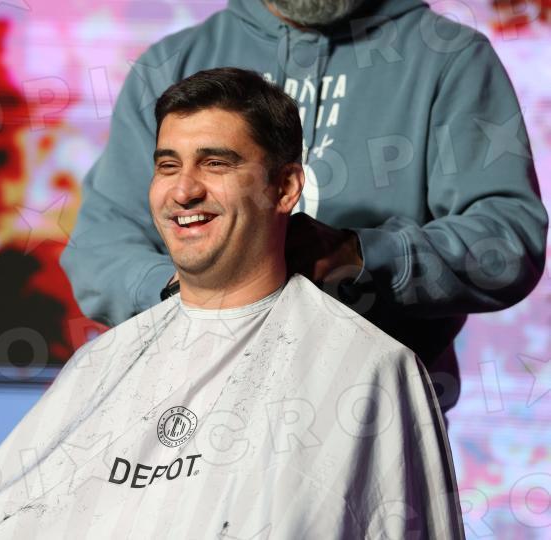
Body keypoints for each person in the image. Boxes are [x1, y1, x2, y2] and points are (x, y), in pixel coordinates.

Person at [0, 68, 463, 539]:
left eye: (215, 163)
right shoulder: (102, 364)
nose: (183, 191)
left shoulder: (369, 370)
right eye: (168, 165)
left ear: (284, 188)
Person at [59, 0, 548, 412]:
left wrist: (361, 256)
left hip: (379, 421)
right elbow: (100, 248)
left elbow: (509, 241)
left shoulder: (450, 58)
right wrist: (189, 294)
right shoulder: (173, 63)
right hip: (192, 419)